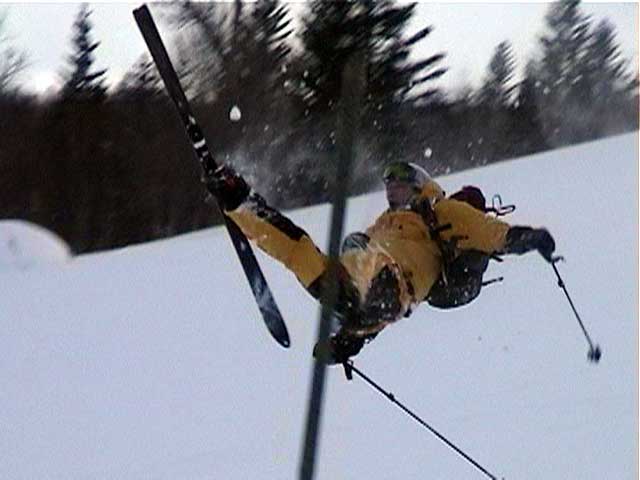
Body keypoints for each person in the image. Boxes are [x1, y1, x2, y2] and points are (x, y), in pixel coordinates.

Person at [208, 161, 556, 363]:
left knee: (362, 253)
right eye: (389, 189)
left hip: (396, 279)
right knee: (301, 253)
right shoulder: (384, 223)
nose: (392, 195)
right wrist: (352, 340)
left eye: (400, 188)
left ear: (419, 187)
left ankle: (357, 314)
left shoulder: (442, 211)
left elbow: (491, 233)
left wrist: (529, 238)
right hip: (366, 285)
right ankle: (240, 201)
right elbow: (376, 298)